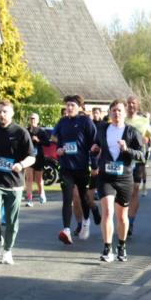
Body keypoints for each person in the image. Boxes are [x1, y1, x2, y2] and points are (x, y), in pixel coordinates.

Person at [90, 100, 145, 263]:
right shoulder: (102, 129)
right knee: (107, 211)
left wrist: (126, 149)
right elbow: (97, 145)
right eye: (113, 110)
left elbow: (142, 155)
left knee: (122, 217)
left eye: (120, 110)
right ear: (109, 113)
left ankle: (122, 246)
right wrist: (95, 149)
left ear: (125, 112)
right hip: (105, 176)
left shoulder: (132, 132)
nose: (116, 113)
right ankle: (107, 248)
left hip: (124, 177)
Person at [0, 100, 35, 265]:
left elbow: (32, 157)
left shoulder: (21, 132)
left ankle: (8, 250)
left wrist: (21, 164)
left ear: (11, 113)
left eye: (5, 112)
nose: (2, 115)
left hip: (15, 183)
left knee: (12, 221)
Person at [52, 95, 97, 245]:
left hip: (82, 166)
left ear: (79, 107)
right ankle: (66, 230)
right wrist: (58, 149)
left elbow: (94, 142)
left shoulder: (85, 121)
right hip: (66, 167)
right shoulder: (62, 122)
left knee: (84, 197)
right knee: (67, 199)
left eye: (72, 105)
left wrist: (95, 163)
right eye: (67, 105)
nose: (69, 108)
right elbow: (55, 138)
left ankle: (85, 222)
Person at [125, 96, 151, 237]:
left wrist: (145, 139)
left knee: (134, 190)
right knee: (123, 192)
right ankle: (123, 219)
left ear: (138, 105)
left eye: (133, 103)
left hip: (138, 160)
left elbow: (148, 137)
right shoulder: (121, 119)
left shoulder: (144, 120)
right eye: (128, 103)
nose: (130, 105)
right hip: (123, 160)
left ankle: (130, 221)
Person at [24, 113, 48, 206]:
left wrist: (38, 140)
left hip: (39, 158)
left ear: (37, 120)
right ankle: (29, 199)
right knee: (29, 178)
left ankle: (41, 193)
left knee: (38, 179)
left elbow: (47, 143)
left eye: (34, 119)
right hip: (28, 157)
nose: (32, 120)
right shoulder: (25, 131)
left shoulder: (41, 131)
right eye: (31, 118)